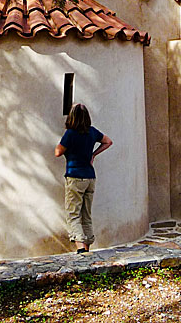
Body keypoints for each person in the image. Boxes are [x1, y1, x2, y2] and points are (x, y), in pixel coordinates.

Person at [54, 103, 113, 253]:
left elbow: (57, 152)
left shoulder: (70, 134)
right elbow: (108, 141)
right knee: (86, 214)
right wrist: (93, 154)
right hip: (90, 177)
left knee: (73, 214)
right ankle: (87, 248)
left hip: (75, 177)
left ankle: (81, 249)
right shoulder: (92, 132)